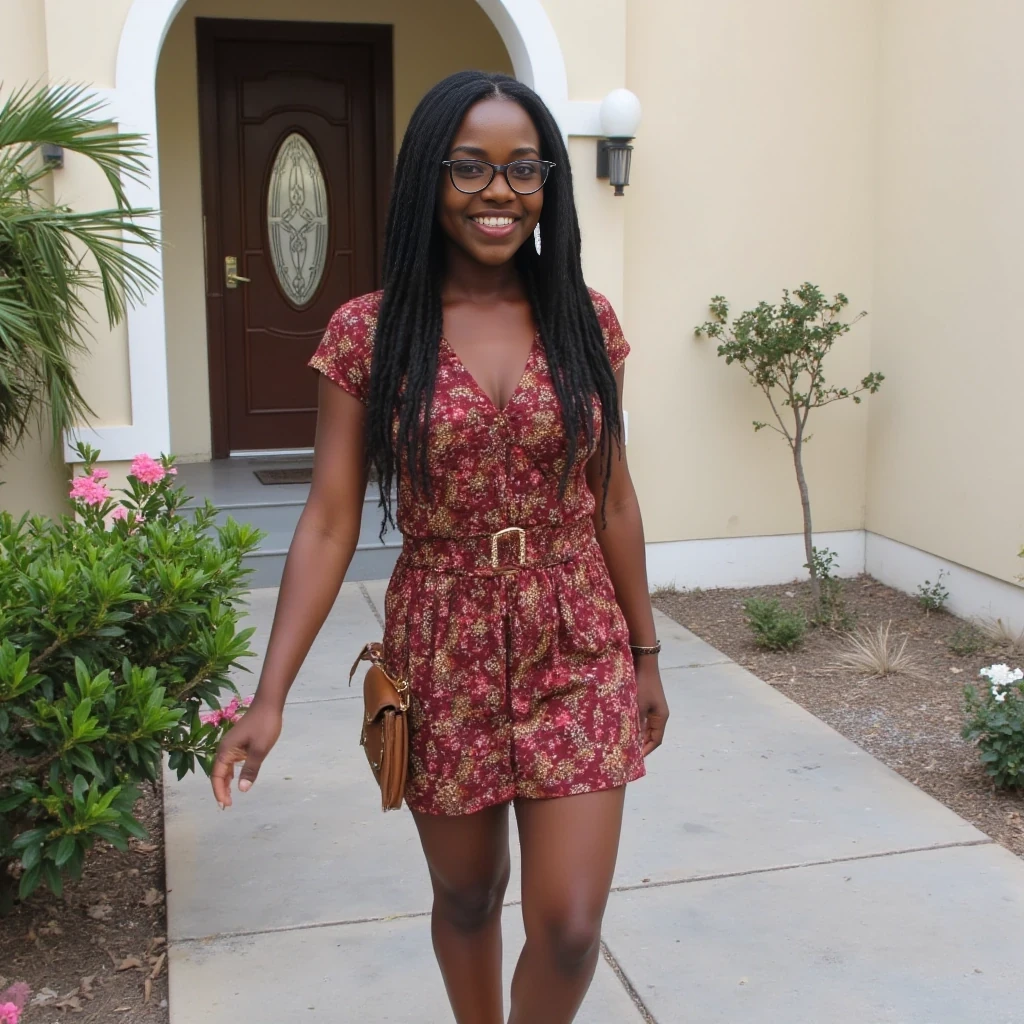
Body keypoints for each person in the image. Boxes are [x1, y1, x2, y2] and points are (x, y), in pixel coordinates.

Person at [211, 70, 669, 1024]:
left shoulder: (586, 320)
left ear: (548, 184)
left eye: (522, 169)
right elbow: (331, 519)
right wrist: (271, 695)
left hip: (573, 633)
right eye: (470, 167)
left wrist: (645, 653)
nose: (498, 192)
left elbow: (613, 496)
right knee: (466, 896)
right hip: (444, 636)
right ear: (428, 176)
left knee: (572, 926)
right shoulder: (368, 334)